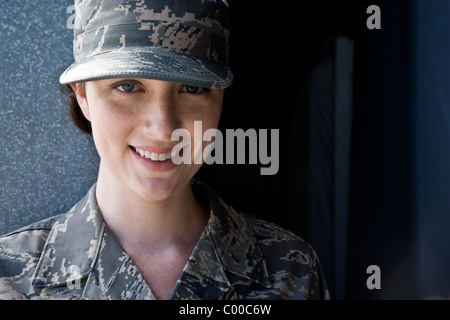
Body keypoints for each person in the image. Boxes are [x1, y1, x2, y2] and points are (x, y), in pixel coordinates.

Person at [0, 0, 330, 300]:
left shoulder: (288, 272)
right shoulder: (11, 279)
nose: (163, 128)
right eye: (127, 86)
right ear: (83, 95)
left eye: (192, 88)